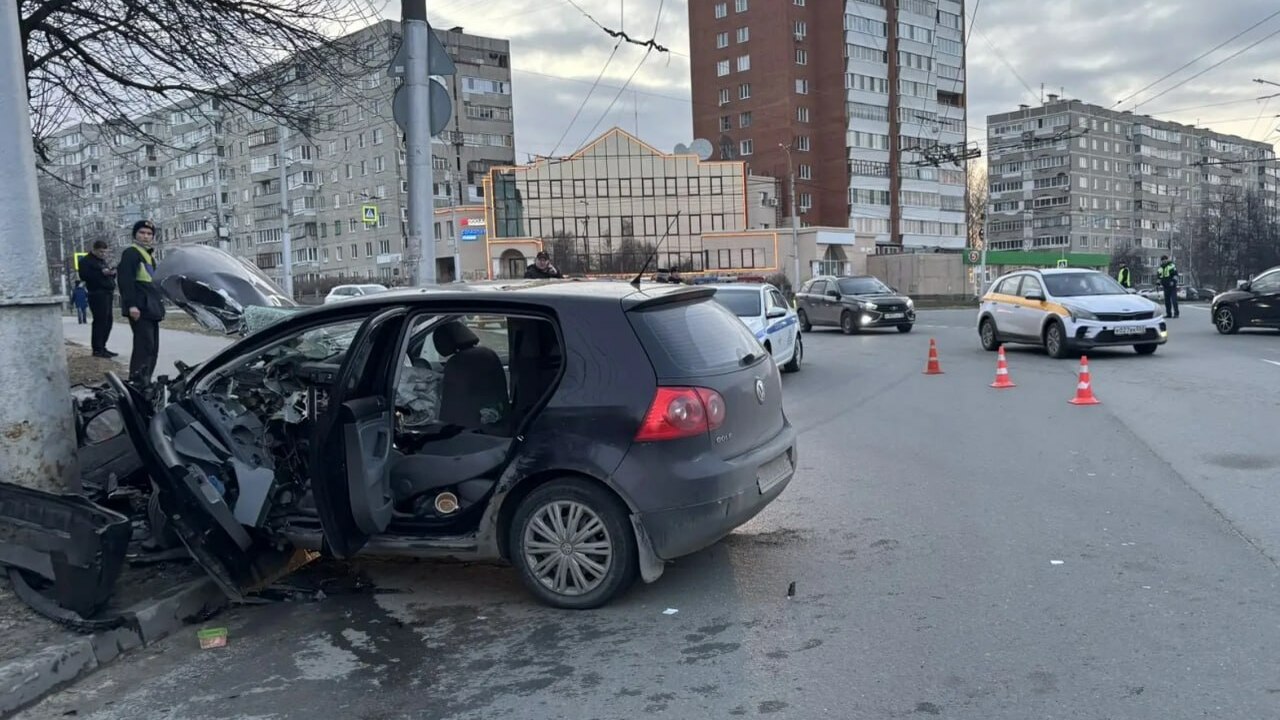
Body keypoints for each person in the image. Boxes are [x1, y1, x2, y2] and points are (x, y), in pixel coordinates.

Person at [116, 220, 166, 387]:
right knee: (144, 347)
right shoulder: (131, 253)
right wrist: (131, 305)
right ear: (135, 235)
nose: (145, 236)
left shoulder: (148, 255)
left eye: (149, 234)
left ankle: (146, 381)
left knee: (153, 348)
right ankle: (137, 382)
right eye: (142, 233)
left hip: (151, 306)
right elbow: (125, 280)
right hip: (140, 307)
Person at [77, 239, 118, 357]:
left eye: (105, 252)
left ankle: (103, 346)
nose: (103, 254)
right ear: (94, 250)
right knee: (100, 321)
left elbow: (107, 275)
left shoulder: (102, 261)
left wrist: (111, 273)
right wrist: (101, 273)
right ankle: (97, 349)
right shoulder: (86, 261)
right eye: (101, 252)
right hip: (97, 293)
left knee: (108, 321)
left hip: (107, 292)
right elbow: (84, 276)